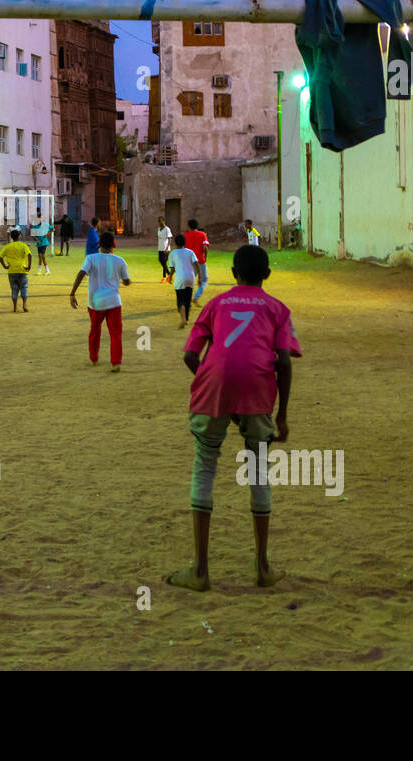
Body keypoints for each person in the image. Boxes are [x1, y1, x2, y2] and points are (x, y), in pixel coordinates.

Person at [168, 245, 302, 592]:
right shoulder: (277, 309)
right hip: (257, 388)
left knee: (205, 465)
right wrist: (282, 415)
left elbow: (189, 355)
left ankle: (200, 570)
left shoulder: (216, 304)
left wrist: (208, 381)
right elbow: (284, 362)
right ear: (267, 275)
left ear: (232, 273)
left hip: (214, 386)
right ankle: (262, 567)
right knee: (258, 470)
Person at [69, 231, 131, 372]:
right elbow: (126, 281)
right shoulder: (120, 261)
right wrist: (127, 281)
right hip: (114, 302)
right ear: (113, 245)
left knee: (95, 330)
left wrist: (72, 293)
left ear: (99, 244)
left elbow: (81, 273)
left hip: (95, 302)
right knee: (115, 333)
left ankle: (94, 358)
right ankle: (115, 362)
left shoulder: (91, 258)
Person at [0, 228, 33, 313]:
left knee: (14, 289)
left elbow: (0, 256)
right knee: (24, 287)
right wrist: (29, 266)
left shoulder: (8, 246)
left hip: (11, 270)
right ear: (19, 236)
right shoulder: (23, 245)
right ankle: (24, 305)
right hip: (22, 269)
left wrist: (4, 266)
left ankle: (15, 307)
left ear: (11, 237)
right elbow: (29, 255)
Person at [168, 233, 198, 327]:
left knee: (180, 300)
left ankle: (183, 318)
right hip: (190, 277)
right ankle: (187, 319)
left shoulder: (173, 253)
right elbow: (196, 263)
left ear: (175, 243)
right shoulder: (190, 252)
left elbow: (172, 268)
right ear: (185, 242)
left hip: (180, 279)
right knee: (188, 300)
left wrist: (170, 277)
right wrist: (200, 276)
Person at [185, 219, 209, 303]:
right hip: (200, 260)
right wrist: (205, 257)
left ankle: (185, 298)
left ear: (189, 226)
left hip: (189, 261)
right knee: (204, 280)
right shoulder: (202, 234)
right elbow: (205, 248)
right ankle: (196, 296)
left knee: (189, 280)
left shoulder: (185, 235)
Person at [157, 216, 173, 282]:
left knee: (164, 261)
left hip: (166, 248)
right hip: (160, 247)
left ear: (163, 221)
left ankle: (164, 277)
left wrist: (167, 248)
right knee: (161, 261)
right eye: (158, 221)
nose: (159, 222)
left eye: (160, 221)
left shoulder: (167, 229)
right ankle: (169, 274)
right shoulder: (158, 229)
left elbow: (170, 239)